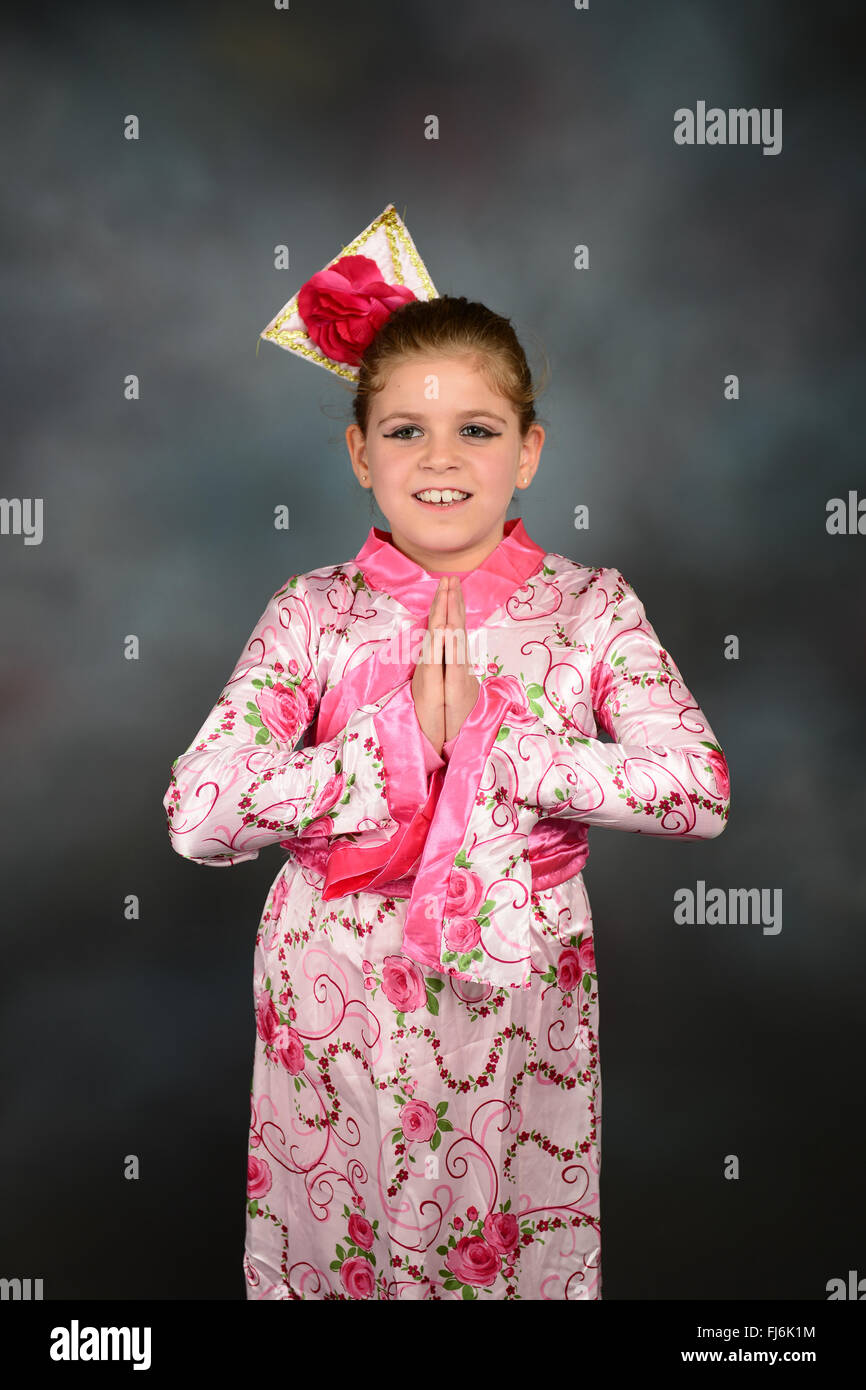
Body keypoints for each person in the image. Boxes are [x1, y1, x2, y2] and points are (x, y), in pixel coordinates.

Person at [162, 205, 730, 1301]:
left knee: (502, 1237)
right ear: (358, 450)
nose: (439, 458)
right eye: (405, 429)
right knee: (343, 1238)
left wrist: (501, 748)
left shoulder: (588, 607)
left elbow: (694, 790)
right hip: (334, 996)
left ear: (527, 450)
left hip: (516, 997)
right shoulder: (310, 614)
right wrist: (391, 749)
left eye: (474, 428)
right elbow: (199, 814)